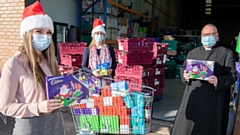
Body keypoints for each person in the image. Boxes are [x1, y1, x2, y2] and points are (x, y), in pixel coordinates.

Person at [0, 1, 65, 135]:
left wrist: (69, 98)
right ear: (27, 34)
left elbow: (57, 93)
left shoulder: (50, 61)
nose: (45, 36)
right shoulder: (14, 65)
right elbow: (5, 106)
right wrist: (37, 107)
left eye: (48, 33)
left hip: (56, 124)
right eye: (39, 31)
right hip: (30, 127)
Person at [171, 24, 237, 135]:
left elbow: (232, 75)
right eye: (205, 35)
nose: (208, 37)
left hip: (213, 99)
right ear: (201, 36)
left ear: (217, 36)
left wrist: (218, 80)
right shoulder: (193, 52)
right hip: (193, 97)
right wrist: (185, 76)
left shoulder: (226, 53)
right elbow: (183, 68)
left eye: (211, 34)